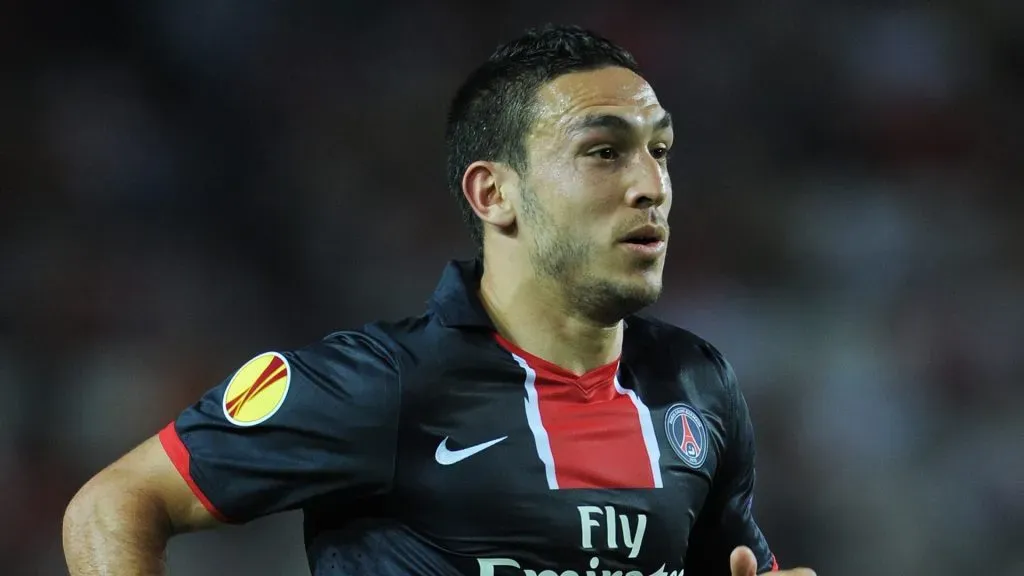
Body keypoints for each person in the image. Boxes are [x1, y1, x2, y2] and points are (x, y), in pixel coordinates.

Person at [63, 24, 816, 576]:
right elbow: (114, 505)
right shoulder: (382, 384)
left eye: (659, 149)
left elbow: (740, 562)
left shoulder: (697, 384)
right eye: (603, 151)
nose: (651, 184)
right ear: (495, 193)